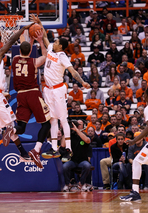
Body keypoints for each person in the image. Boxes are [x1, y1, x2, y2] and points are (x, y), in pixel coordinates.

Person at [30, 14, 90, 162]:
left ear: (60, 46)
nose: (54, 42)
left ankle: (68, 148)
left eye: (56, 41)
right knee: (52, 120)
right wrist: (39, 23)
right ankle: (55, 148)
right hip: (48, 90)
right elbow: (44, 36)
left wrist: (82, 82)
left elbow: (73, 72)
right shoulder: (50, 49)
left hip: (58, 89)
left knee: (63, 119)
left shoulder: (63, 56)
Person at [0, 23, 33, 173]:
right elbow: (8, 44)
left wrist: (1, 92)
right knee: (10, 123)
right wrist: (21, 31)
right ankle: (21, 152)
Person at [3, 30, 50, 168]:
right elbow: (45, 55)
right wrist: (40, 41)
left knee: (21, 127)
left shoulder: (15, 59)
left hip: (21, 96)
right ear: (30, 50)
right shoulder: (34, 62)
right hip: (33, 94)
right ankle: (36, 150)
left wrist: (28, 40)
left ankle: (12, 131)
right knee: (46, 124)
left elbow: (25, 51)